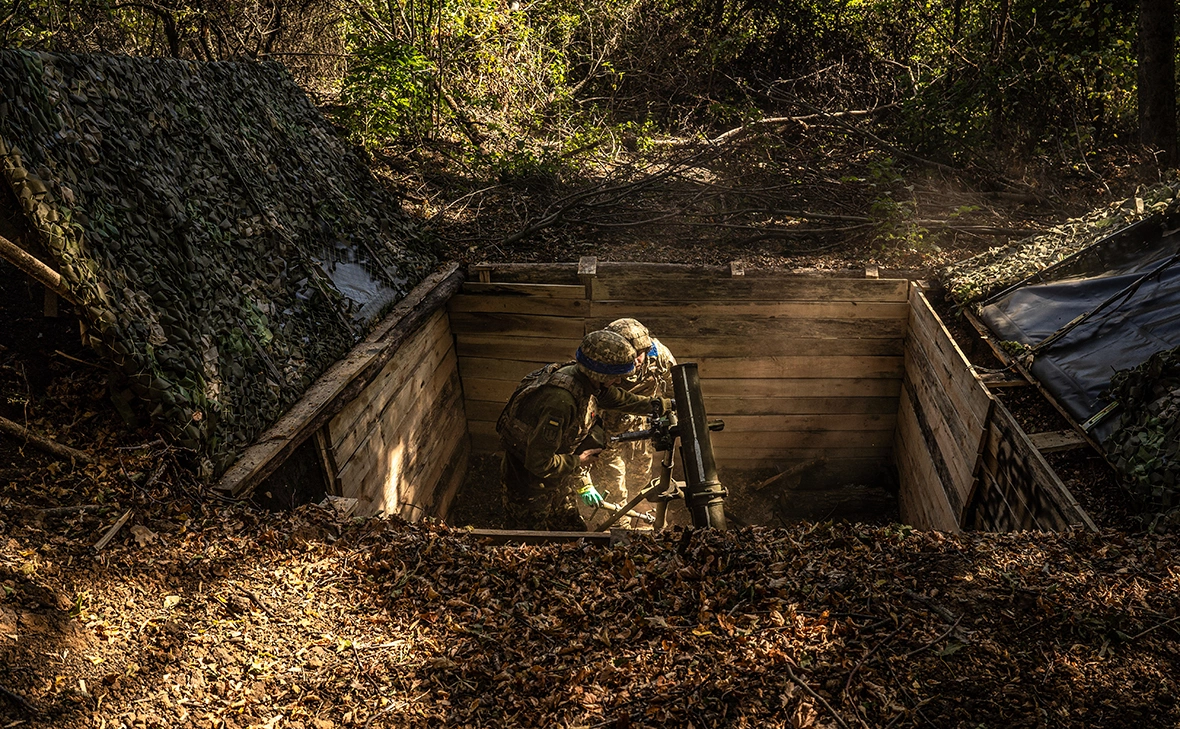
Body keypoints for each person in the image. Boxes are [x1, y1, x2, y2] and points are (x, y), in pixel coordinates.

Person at [496, 329, 672, 530]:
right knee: (529, 538)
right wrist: (578, 461)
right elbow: (538, 462)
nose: (618, 381)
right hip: (529, 484)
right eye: (615, 376)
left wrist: (662, 405)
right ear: (600, 374)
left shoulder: (585, 380)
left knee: (573, 531)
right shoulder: (560, 402)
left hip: (557, 475)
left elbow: (620, 399)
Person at [587, 318, 677, 528]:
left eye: (638, 354)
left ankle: (642, 527)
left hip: (642, 428)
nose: (635, 361)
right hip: (608, 432)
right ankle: (619, 533)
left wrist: (669, 416)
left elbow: (676, 388)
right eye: (629, 355)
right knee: (614, 485)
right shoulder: (605, 359)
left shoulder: (659, 356)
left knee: (641, 481)